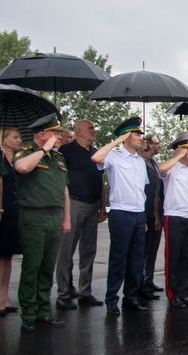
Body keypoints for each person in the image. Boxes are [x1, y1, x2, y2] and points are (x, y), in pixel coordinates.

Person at [13, 114, 71, 332]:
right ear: (42, 134)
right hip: (34, 217)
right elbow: (23, 168)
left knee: (47, 267)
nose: (59, 137)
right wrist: (43, 149)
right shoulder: (27, 151)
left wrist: (66, 218)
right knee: (32, 267)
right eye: (55, 133)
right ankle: (28, 314)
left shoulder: (59, 159)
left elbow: (64, 189)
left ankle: (43, 311)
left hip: (55, 217)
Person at [91, 117, 148, 316]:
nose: (141, 138)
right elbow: (96, 158)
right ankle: (111, 299)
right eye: (136, 134)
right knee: (119, 258)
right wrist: (116, 141)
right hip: (121, 213)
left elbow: (143, 191)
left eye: (140, 134)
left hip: (138, 214)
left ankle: (131, 297)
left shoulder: (141, 162)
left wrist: (144, 218)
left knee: (136, 259)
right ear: (126, 136)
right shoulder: (114, 156)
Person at [55, 120, 105, 310]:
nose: (94, 130)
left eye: (94, 127)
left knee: (88, 251)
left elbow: (100, 181)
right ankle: (64, 293)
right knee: (66, 251)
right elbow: (60, 182)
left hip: (93, 206)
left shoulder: (95, 152)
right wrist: (64, 209)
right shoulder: (65, 151)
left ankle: (85, 292)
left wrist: (102, 207)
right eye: (90, 128)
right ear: (78, 131)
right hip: (73, 204)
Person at [158, 133, 188, 308]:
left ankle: (185, 293)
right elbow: (161, 169)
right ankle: (173, 293)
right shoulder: (172, 167)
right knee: (174, 257)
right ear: (181, 149)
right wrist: (177, 155)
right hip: (174, 216)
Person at [0, 128, 23, 316]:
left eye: (19, 137)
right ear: (3, 139)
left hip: (14, 211)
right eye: (14, 137)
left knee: (7, 256)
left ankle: (4, 296)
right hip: (1, 210)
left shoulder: (17, 160)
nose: (19, 140)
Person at [139, 134, 163, 300]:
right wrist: (153, 215)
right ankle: (140, 283)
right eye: (155, 143)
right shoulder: (140, 162)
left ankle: (149, 279)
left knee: (153, 249)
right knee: (143, 251)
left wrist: (157, 214)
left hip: (155, 211)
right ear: (146, 144)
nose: (158, 145)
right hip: (145, 211)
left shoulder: (154, 163)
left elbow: (157, 190)